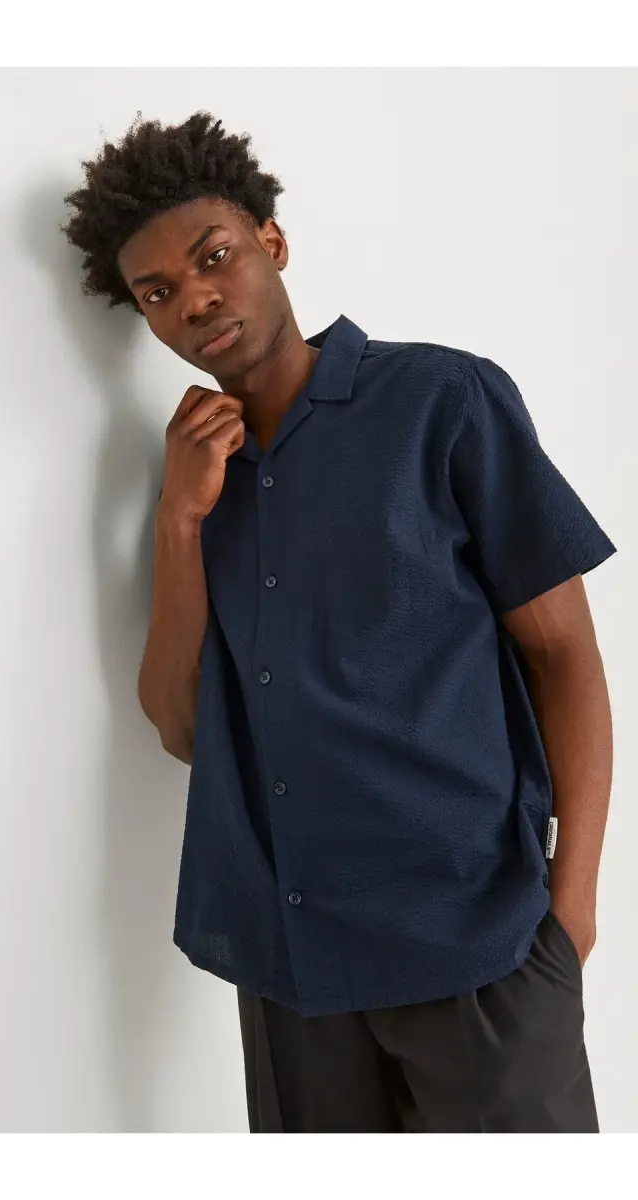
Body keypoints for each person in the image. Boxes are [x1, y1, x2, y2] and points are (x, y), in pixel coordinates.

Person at [62, 110, 617, 1133]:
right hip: (292, 967)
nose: (195, 299)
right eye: (157, 292)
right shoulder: (196, 474)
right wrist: (179, 520)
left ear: (271, 243)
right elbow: (181, 726)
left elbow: (564, 656)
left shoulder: (442, 401)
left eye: (213, 257)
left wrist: (569, 910)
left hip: (477, 947)